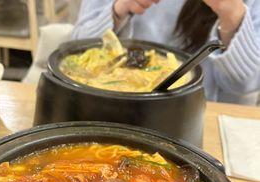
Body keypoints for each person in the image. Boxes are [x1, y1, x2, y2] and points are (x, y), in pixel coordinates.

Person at [72, 0, 260, 105]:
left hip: (198, 114)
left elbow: (246, 84)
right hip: (111, 102)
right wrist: (120, 9)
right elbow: (74, 50)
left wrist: (233, 14)